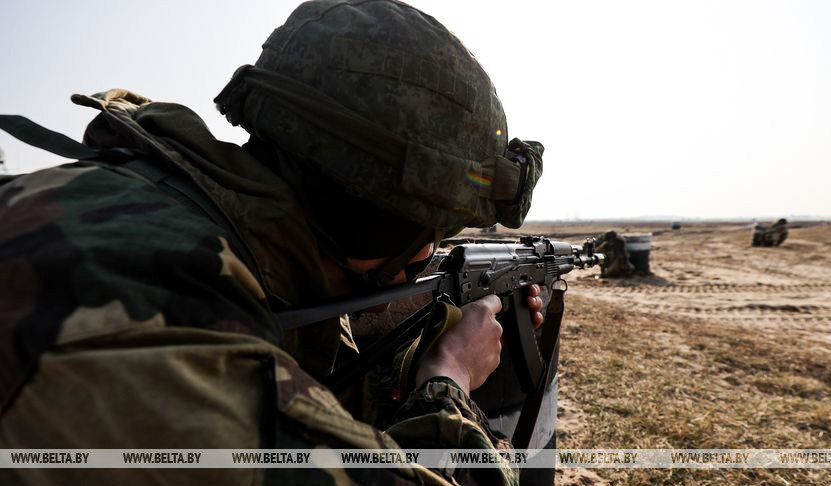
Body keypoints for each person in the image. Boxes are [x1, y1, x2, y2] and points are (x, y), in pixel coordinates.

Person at [0, 1, 545, 484]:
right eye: (425, 235)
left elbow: (312, 396)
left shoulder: (200, 229)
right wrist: (451, 380)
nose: (425, 259)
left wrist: (413, 362)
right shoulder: (162, 329)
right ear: (367, 220)